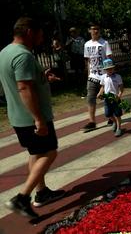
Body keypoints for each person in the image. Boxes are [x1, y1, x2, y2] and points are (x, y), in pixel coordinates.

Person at [0, 17, 66, 219]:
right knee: (50, 152)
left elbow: (23, 81)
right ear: (29, 31)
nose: (42, 36)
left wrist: (43, 78)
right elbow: (24, 87)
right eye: (40, 32)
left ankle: (42, 192)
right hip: (32, 118)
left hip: (18, 116)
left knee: (35, 154)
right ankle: (22, 197)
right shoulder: (23, 56)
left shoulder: (5, 52)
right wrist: (38, 118)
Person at [82, 22, 113, 132]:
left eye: (97, 29)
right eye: (93, 29)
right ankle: (92, 121)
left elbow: (109, 59)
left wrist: (109, 75)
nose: (95, 31)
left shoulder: (104, 43)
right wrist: (88, 74)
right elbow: (88, 61)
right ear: (89, 30)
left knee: (107, 97)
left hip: (104, 75)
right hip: (92, 75)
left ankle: (111, 117)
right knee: (90, 97)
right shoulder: (87, 44)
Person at [97, 59, 124, 137]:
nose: (110, 70)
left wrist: (119, 95)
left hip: (115, 98)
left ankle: (119, 128)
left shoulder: (118, 77)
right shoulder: (103, 77)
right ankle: (114, 122)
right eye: (108, 69)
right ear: (105, 70)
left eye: (111, 68)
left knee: (118, 114)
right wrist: (99, 93)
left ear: (113, 68)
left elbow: (121, 87)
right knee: (107, 114)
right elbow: (102, 86)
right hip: (107, 99)